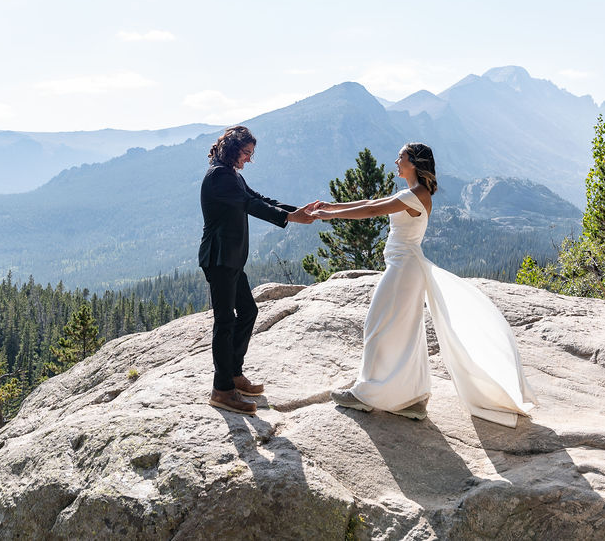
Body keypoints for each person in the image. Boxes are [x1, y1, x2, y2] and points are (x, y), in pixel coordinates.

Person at [310, 143, 537, 426]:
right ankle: (412, 399)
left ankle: (366, 394)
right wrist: (333, 206)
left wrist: (331, 215)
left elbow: (370, 210)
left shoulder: (413, 195)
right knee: (406, 333)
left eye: (401, 157)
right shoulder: (415, 192)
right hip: (405, 268)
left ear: (414, 163)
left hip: (404, 269)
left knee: (377, 327)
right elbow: (370, 202)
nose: (396, 160)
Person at [199, 125, 316, 415]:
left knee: (248, 311)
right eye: (247, 153)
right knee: (225, 322)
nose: (249, 159)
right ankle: (222, 389)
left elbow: (259, 197)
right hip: (220, 258)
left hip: (232, 259)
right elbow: (250, 205)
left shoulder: (232, 174)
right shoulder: (219, 177)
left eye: (252, 154)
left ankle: (234, 373)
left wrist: (298, 210)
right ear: (233, 149)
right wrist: (289, 217)